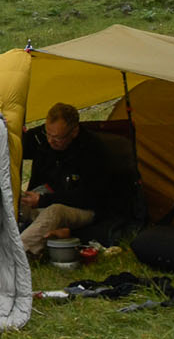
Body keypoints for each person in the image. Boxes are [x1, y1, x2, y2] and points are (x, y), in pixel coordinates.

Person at [17, 102, 130, 259]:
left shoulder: (92, 151)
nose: (51, 141)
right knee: (16, 201)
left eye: (57, 138)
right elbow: (17, 145)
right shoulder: (42, 138)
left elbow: (88, 197)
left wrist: (44, 200)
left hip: (83, 208)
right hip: (47, 196)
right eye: (48, 134)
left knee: (55, 211)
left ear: (74, 131)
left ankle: (16, 254)